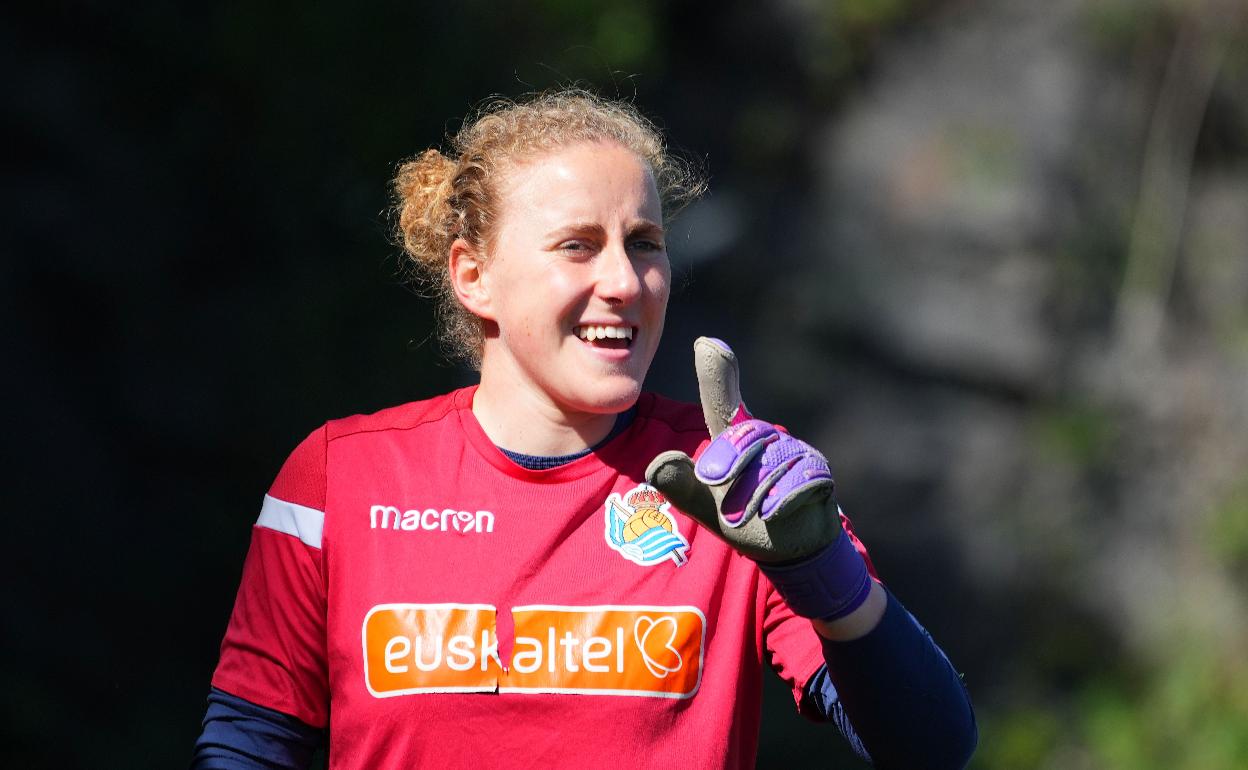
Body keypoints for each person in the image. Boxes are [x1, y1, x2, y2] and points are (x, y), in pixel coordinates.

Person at [192, 89, 977, 769]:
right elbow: (248, 746)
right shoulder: (342, 475)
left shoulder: (737, 484)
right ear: (474, 275)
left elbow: (931, 750)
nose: (624, 282)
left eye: (645, 245)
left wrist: (829, 578)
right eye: (578, 246)